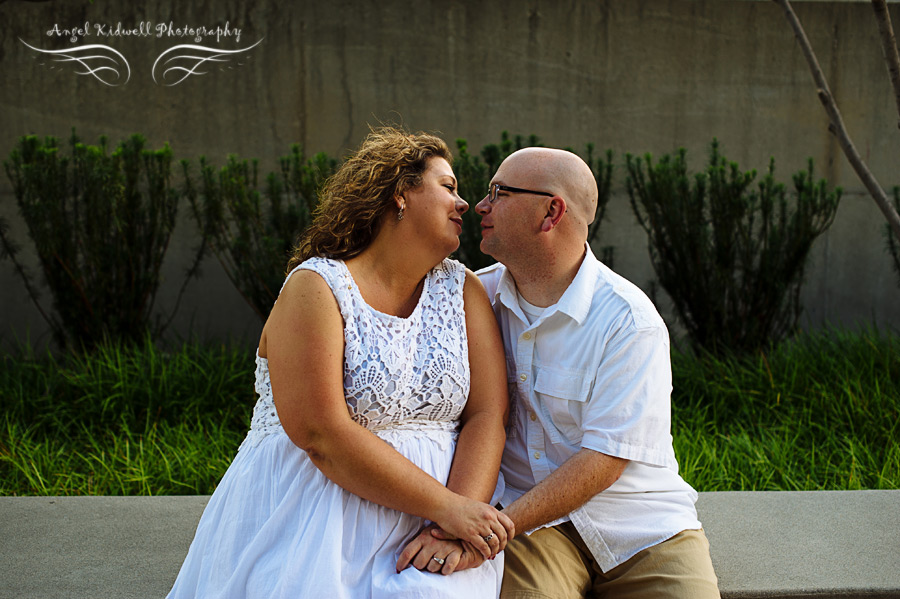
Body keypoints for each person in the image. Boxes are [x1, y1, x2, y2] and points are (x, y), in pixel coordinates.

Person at [168, 127, 514, 599]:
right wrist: (448, 507)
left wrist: (457, 524)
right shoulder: (316, 287)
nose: (464, 204)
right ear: (399, 195)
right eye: (448, 187)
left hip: (437, 530)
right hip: (316, 521)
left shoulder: (464, 290)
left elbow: (487, 414)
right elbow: (321, 432)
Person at [398, 147, 720, 598]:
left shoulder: (627, 320)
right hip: (534, 530)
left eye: (499, 192)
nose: (480, 205)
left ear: (551, 212)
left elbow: (604, 461)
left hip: (639, 526)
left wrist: (487, 531)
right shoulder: (474, 299)